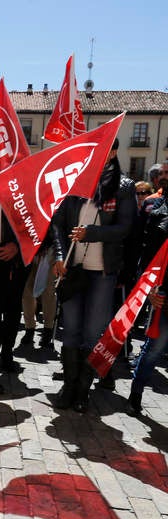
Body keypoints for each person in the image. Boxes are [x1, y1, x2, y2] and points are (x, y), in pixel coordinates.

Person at [52, 139, 136, 412]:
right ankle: (68, 387)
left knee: (91, 333)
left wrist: (92, 233)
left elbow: (125, 228)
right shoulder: (76, 182)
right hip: (73, 271)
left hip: (103, 272)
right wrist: (59, 256)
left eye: (107, 148)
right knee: (71, 331)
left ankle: (82, 392)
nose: (101, 152)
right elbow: (59, 225)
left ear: (114, 152)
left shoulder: (123, 187)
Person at [128, 189, 168, 415]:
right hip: (163, 292)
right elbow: (149, 255)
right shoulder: (157, 211)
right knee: (155, 348)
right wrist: (150, 288)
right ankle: (136, 394)